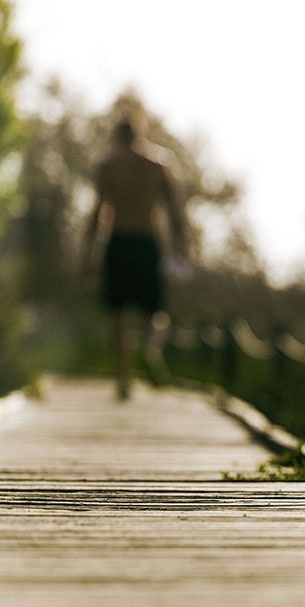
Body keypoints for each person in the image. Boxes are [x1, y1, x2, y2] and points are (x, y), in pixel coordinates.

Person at [83, 115, 188, 400]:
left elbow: (97, 213)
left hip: (118, 240)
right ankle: (151, 349)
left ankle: (123, 376)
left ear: (117, 137)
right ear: (139, 135)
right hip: (147, 241)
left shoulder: (107, 166)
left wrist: (88, 256)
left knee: (118, 314)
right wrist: (181, 247)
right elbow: (176, 211)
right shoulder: (158, 164)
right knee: (155, 310)